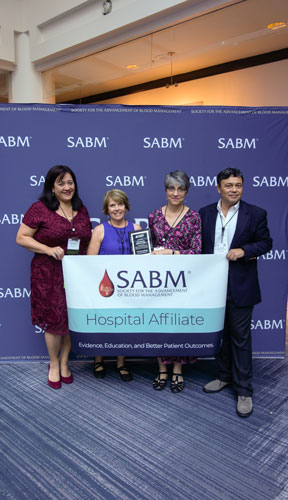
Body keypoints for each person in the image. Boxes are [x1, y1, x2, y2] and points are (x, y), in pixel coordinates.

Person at [199, 167, 272, 417]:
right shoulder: (205, 213)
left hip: (241, 283)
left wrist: (244, 251)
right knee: (222, 334)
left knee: (240, 338)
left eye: (238, 185)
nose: (234, 189)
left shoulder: (256, 213)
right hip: (212, 285)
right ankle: (225, 377)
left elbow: (266, 242)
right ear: (218, 188)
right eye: (228, 185)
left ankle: (244, 390)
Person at [16, 165, 91, 389]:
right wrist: (48, 249)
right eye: (61, 183)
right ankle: (53, 364)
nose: (67, 187)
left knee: (69, 319)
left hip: (74, 273)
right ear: (51, 187)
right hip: (47, 272)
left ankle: (65, 362)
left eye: (70, 182)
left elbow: (86, 240)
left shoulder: (81, 208)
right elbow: (21, 237)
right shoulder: (39, 209)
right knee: (54, 319)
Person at [148, 170, 201, 393]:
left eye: (180, 189)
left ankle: (177, 369)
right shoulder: (153, 216)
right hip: (159, 282)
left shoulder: (194, 217)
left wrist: (171, 254)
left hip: (184, 281)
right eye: (171, 188)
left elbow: (197, 252)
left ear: (186, 191)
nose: (175, 193)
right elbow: (147, 250)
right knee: (160, 323)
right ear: (166, 190)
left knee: (179, 324)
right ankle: (162, 369)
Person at [87, 189, 141, 381]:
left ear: (126, 206)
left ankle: (120, 362)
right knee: (103, 324)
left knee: (124, 325)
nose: (117, 208)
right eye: (112, 205)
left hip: (129, 289)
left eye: (120, 204)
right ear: (106, 209)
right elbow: (90, 262)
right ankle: (98, 359)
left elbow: (144, 261)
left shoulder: (136, 228)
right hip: (106, 289)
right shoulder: (100, 230)